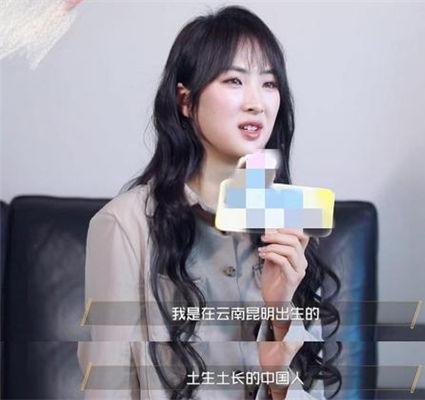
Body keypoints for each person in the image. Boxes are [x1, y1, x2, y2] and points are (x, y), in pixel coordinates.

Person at [77, 5, 342, 400]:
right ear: (185, 101)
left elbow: (310, 390)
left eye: (269, 84)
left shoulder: (290, 218)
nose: (257, 102)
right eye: (234, 80)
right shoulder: (125, 225)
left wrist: (281, 310)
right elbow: (107, 388)